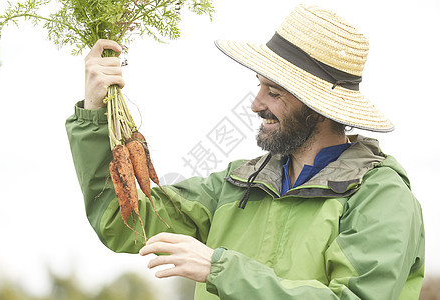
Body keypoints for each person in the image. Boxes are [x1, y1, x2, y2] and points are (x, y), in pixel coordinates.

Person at [66, 4, 425, 299]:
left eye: (274, 92)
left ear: (318, 106)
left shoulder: (381, 197)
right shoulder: (235, 184)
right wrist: (96, 114)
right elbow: (123, 220)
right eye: (260, 87)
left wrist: (220, 269)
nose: (255, 105)